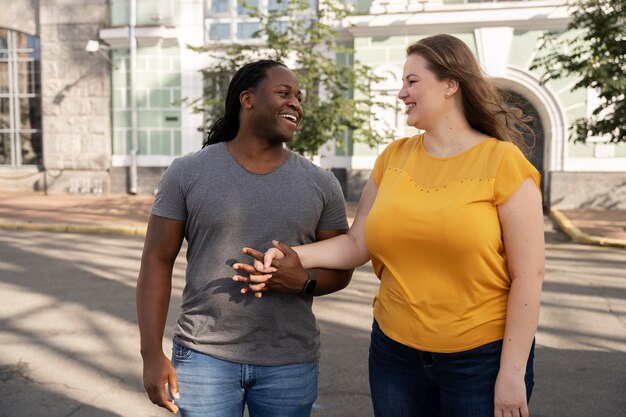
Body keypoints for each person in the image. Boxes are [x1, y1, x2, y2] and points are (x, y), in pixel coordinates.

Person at [239, 35, 545, 417]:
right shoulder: (394, 157)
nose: (401, 93)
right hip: (395, 354)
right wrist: (291, 254)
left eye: (412, 81)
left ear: (451, 84)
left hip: (480, 358)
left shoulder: (504, 162)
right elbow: (357, 244)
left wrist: (512, 372)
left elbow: (528, 276)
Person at [136, 59, 353, 417]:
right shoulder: (187, 172)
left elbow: (342, 267)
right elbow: (156, 260)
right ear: (247, 99)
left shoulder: (321, 183)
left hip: (290, 360)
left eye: (299, 97)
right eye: (284, 93)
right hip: (203, 357)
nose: (296, 103)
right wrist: (150, 354)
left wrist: (303, 281)